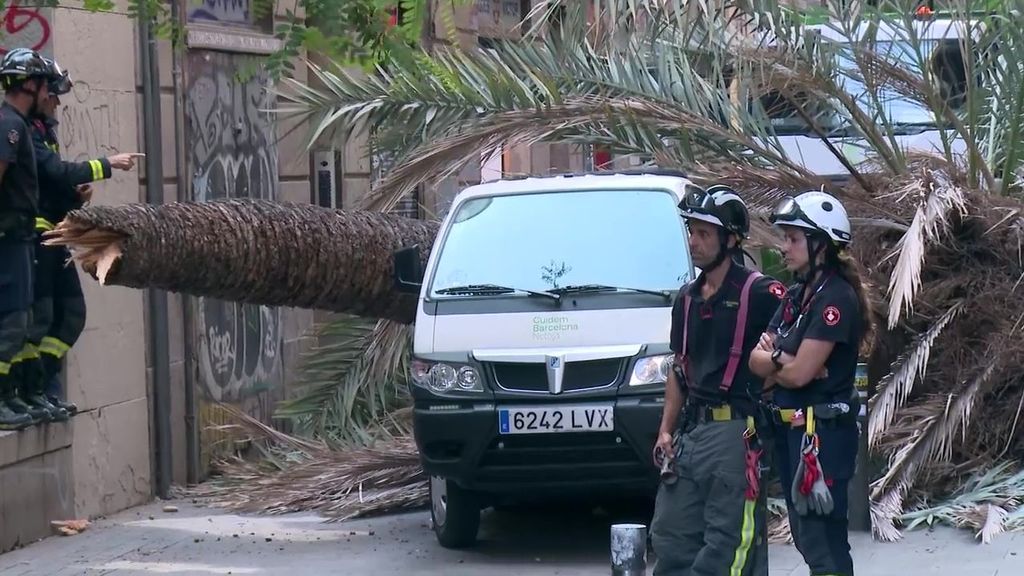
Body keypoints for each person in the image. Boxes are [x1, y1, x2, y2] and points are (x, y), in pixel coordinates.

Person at [649, 184, 788, 576]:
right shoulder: (687, 298)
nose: (693, 242)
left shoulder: (760, 292)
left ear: (731, 239)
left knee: (728, 547)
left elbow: (800, 344)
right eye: (691, 231)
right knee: (670, 536)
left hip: (736, 434)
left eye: (703, 233)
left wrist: (773, 380)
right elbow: (680, 368)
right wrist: (665, 431)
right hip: (690, 434)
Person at [748, 191, 874, 576]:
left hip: (823, 437)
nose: (784, 247)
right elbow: (755, 362)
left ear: (822, 244)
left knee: (822, 540)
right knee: (805, 535)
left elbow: (800, 374)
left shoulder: (836, 299)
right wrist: (782, 360)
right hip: (791, 433)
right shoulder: (796, 296)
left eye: (793, 239)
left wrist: (779, 362)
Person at [16, 56, 140, 417]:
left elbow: (52, 183)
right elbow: (53, 170)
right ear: (35, 90)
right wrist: (107, 164)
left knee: (70, 314)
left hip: (54, 237)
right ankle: (28, 390)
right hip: (35, 239)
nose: (57, 101)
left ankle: (39, 383)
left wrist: (75, 196)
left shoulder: (42, 131)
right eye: (52, 93)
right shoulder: (19, 130)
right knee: (37, 319)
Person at [0, 47, 55, 429]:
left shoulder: (16, 124)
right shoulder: (10, 126)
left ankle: (12, 396)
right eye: (44, 85)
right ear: (30, 84)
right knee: (11, 320)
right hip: (8, 237)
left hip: (19, 236)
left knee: (22, 319)